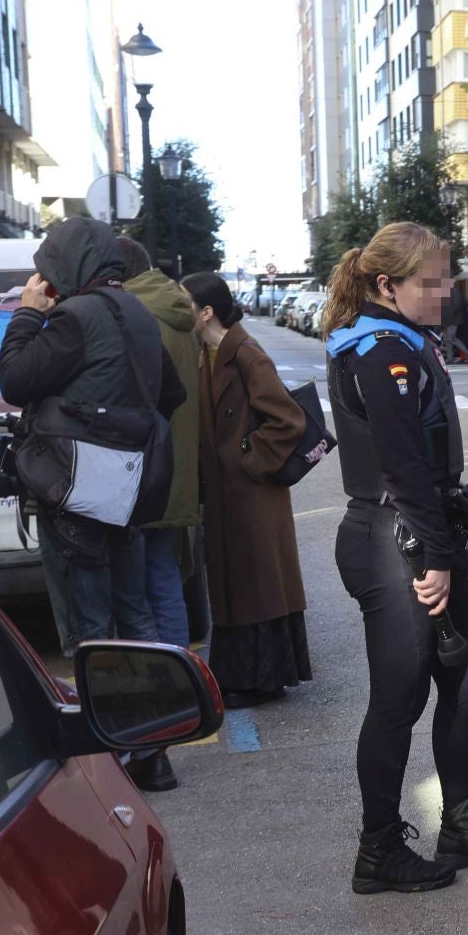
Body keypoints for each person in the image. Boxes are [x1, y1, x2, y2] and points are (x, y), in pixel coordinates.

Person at [325, 223, 468, 896]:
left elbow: (424, 460)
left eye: (447, 279)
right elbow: (399, 465)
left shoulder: (404, 343)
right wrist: (436, 554)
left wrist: (460, 509)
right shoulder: (380, 350)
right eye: (429, 282)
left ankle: (461, 823)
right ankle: (377, 848)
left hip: (414, 533)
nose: (444, 293)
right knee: (400, 697)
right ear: (386, 285)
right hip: (394, 544)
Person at [0, 217, 185, 658]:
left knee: (90, 623)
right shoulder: (136, 311)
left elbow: (14, 380)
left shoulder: (75, 317)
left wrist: (27, 312)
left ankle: (106, 717)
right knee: (134, 607)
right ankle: (157, 705)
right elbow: (171, 393)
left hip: (76, 490)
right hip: (126, 487)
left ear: (67, 264)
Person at [181, 272, 313, 706]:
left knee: (256, 584)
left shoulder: (246, 355)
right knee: (239, 583)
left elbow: (288, 420)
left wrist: (246, 458)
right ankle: (242, 676)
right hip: (229, 493)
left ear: (206, 312)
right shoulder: (211, 353)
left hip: (252, 494)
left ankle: (262, 680)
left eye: (185, 303)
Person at [118, 236, 202, 653]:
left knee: (134, 592)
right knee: (164, 577)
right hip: (174, 465)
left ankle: (162, 686)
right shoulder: (175, 307)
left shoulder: (130, 313)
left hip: (138, 467)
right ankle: (183, 675)